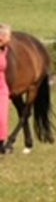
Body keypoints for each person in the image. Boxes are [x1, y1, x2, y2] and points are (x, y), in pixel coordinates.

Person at [0, 24, 10, 154]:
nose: (10, 39)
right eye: (9, 36)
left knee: (2, 117)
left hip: (2, 88)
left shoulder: (5, 49)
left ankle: (1, 144)